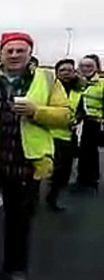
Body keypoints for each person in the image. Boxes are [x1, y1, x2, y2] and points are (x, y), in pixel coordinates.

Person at [0, 32, 70, 280]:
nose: (15, 55)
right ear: (2, 52)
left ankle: (16, 268)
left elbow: (66, 116)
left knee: (18, 218)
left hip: (23, 160)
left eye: (20, 50)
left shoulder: (46, 79)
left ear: (30, 53)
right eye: (10, 50)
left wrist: (37, 112)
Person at [47, 59, 84, 211]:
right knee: (39, 170)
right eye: (62, 70)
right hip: (47, 135)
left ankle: (53, 197)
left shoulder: (78, 91)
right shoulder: (49, 89)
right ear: (56, 73)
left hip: (67, 136)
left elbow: (81, 111)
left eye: (69, 70)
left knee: (63, 173)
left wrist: (77, 119)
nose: (66, 73)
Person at [76, 54, 103, 192]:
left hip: (96, 122)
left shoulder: (101, 84)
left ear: (97, 68)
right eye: (83, 66)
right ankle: (84, 178)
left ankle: (90, 180)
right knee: (84, 151)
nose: (85, 69)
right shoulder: (80, 83)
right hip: (84, 121)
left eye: (89, 66)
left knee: (90, 152)